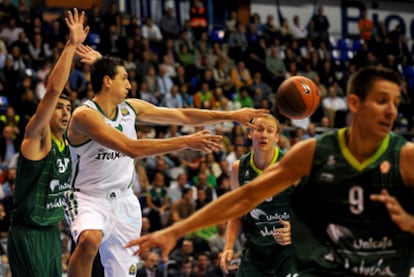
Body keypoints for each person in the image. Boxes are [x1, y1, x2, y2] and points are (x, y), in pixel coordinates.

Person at [127, 66, 414, 277]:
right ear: (354, 103)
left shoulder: (406, 157)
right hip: (276, 256)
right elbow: (243, 200)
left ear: (277, 136)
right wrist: (176, 230)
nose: (392, 111)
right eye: (382, 101)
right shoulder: (312, 154)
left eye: (396, 104)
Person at [65, 45, 269, 277]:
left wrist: (230, 115)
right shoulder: (84, 115)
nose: (130, 85)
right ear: (107, 82)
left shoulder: (130, 108)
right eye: (125, 79)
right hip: (88, 197)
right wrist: (185, 141)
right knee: (89, 239)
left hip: (124, 201)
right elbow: (131, 148)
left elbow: (182, 115)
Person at [7, 8, 89, 277]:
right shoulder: (38, 138)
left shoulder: (67, 141)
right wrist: (72, 44)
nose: (66, 112)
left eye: (69, 108)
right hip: (28, 234)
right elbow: (53, 89)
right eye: (60, 108)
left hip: (51, 233)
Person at [220, 115, 297, 277]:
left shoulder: (291, 165)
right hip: (256, 252)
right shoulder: (238, 168)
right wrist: (228, 246)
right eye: (259, 129)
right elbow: (236, 214)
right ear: (250, 133)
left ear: (277, 137)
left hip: (287, 253)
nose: (264, 135)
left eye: (270, 131)